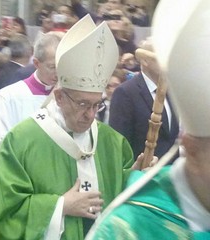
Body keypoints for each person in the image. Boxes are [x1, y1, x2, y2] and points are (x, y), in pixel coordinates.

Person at [0, 15, 155, 240]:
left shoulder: (111, 141)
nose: (91, 115)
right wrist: (59, 206)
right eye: (83, 104)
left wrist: (132, 177)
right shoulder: (21, 142)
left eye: (97, 105)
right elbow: (2, 214)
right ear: (60, 97)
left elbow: (113, 198)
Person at [87, 0, 210, 239]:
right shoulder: (126, 229)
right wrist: (133, 170)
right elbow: (120, 142)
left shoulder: (174, 96)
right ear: (192, 150)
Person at [0, 32, 62, 163]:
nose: (58, 73)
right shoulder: (8, 96)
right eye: (52, 67)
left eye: (62, 66)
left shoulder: (67, 97)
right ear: (36, 63)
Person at [109, 38, 179, 160]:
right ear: (145, 60)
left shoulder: (172, 91)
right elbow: (119, 143)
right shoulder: (126, 93)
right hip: (142, 173)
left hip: (170, 172)